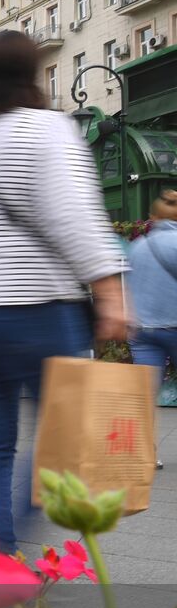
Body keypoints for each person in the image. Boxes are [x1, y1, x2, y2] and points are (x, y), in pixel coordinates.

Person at [0, 30, 126, 555]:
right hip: (36, 306)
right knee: (66, 434)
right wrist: (109, 291)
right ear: (33, 74)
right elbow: (75, 216)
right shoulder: (48, 130)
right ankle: (22, 538)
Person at [127, 187, 177, 471]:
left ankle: (147, 454)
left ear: (153, 216)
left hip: (143, 331)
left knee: (145, 398)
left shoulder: (137, 246)